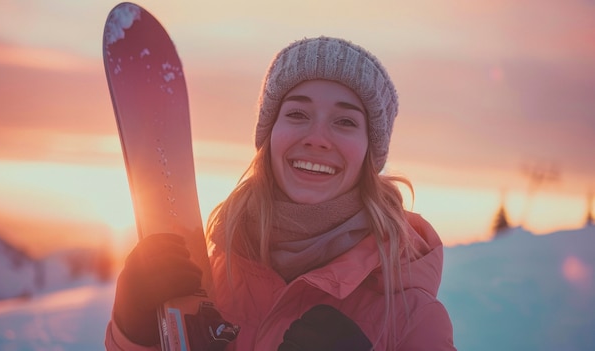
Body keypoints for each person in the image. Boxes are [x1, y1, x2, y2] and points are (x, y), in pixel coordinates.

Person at [105, 36, 456, 350]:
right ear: (270, 135)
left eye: (345, 121)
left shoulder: (412, 317)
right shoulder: (211, 280)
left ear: (369, 152)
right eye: (298, 113)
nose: (317, 137)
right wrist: (133, 334)